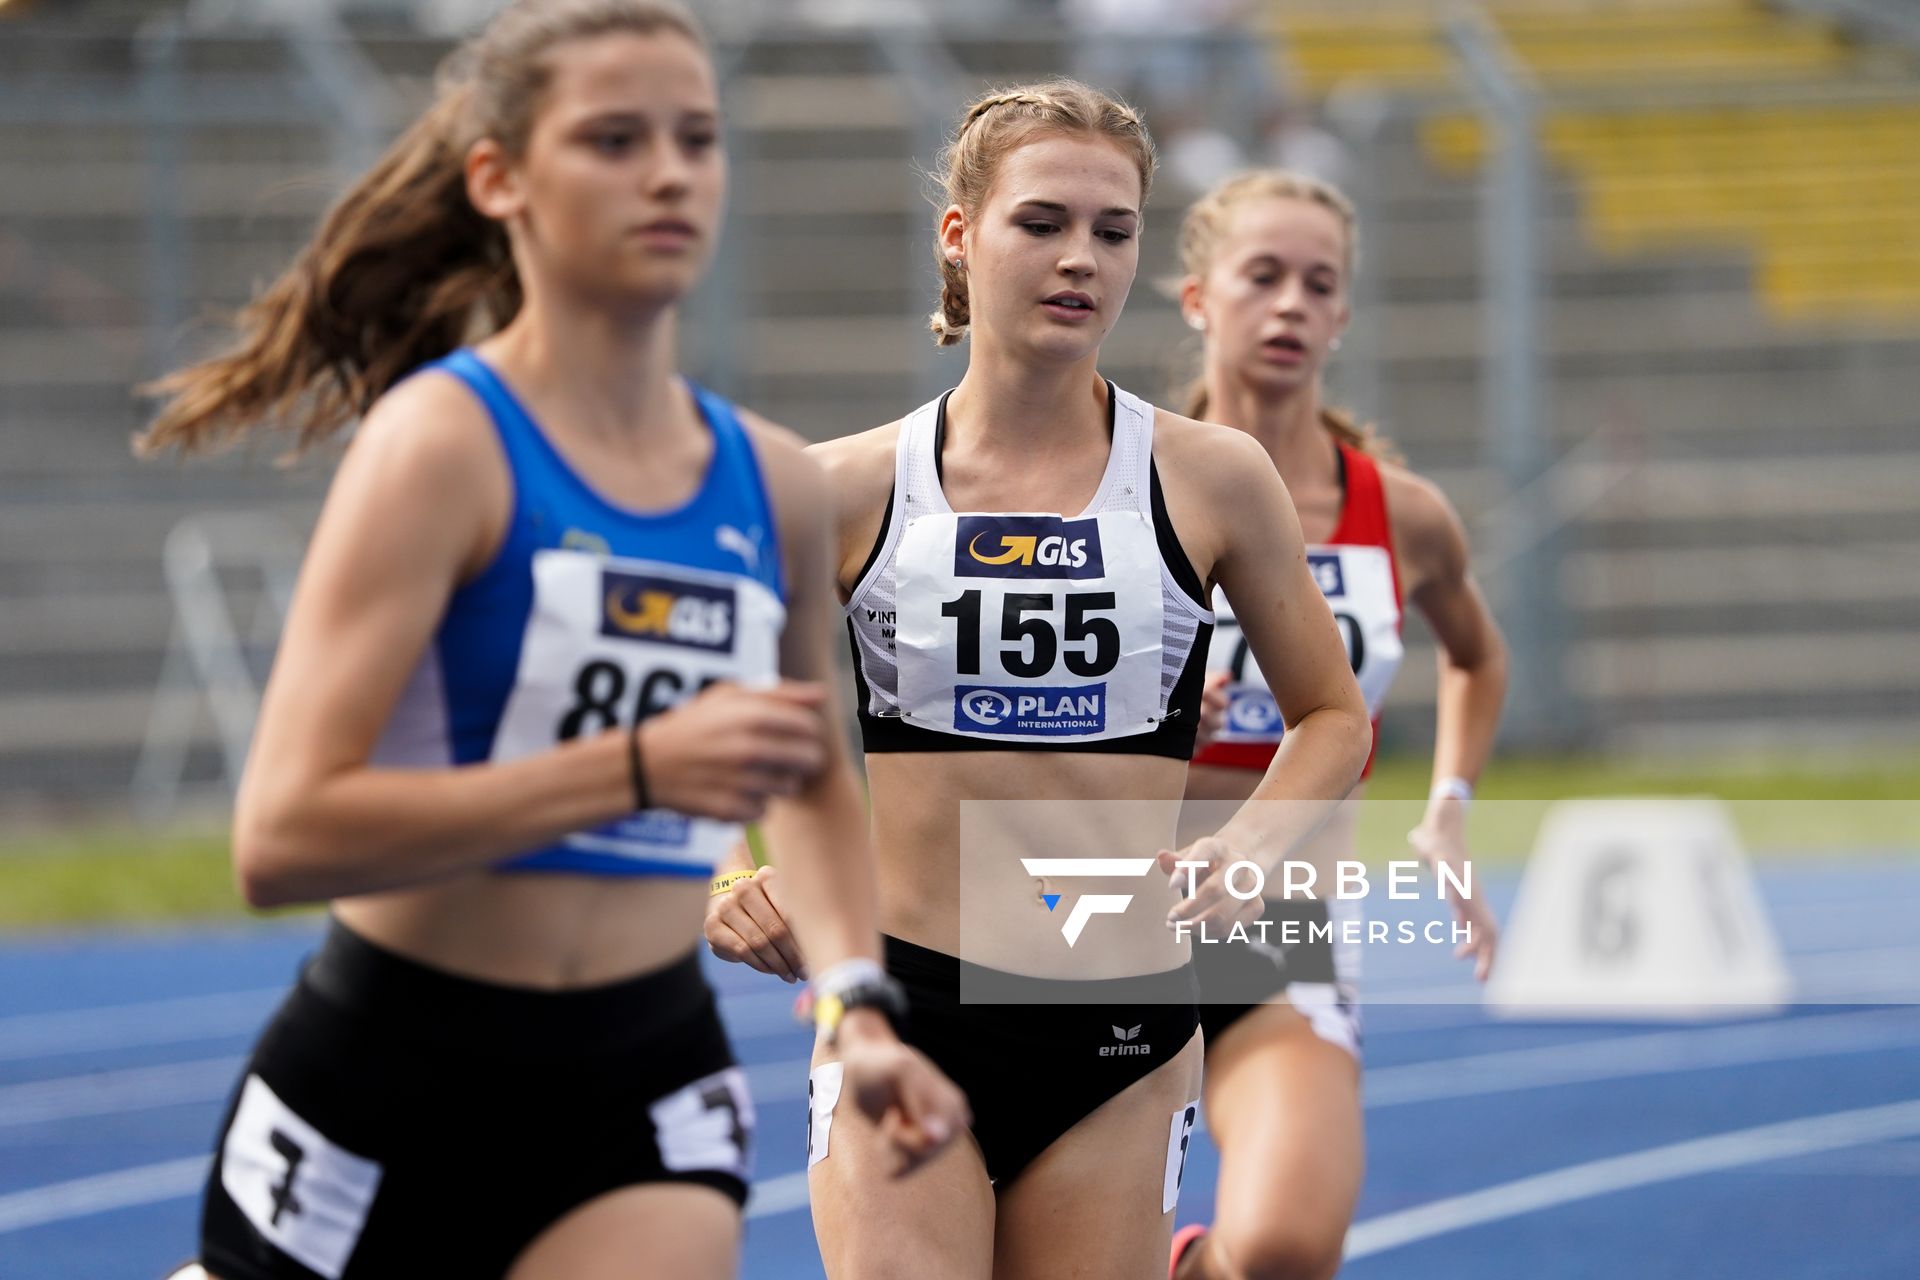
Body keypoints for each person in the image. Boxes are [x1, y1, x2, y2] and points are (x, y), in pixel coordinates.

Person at [139, 4, 965, 1277]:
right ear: (500, 178)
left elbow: (803, 768)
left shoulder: (770, 483)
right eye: (615, 138)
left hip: (642, 1073)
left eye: (697, 137)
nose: (669, 172)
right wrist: (633, 772)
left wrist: (856, 1003)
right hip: (398, 1069)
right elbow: (281, 837)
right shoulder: (443, 446)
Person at [705, 82, 1372, 1279]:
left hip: (1119, 1031)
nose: (1081, 259)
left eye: (1113, 232)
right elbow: (714, 714)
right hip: (901, 1005)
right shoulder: (840, 489)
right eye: (1042, 223)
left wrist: (1255, 841)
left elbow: (1332, 714)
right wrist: (727, 872)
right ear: (961, 236)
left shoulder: (1214, 477)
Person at [1167, 169, 1509, 1280]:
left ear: (1344, 315)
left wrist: (1448, 809)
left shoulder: (1399, 515)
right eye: (1262, 276)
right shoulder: (1111, 483)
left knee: (1281, 1247)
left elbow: (1478, 653)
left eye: (1319, 285)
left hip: (1281, 925)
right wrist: (1148, 712)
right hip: (1100, 915)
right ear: (1198, 298)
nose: (1291, 305)